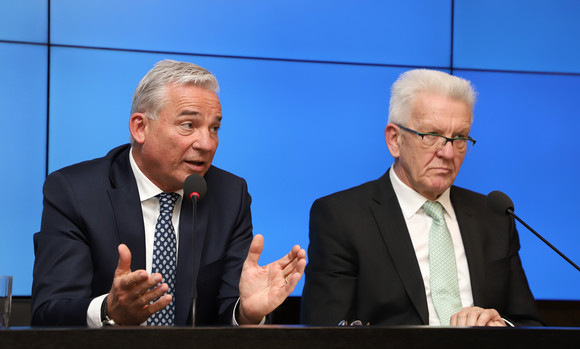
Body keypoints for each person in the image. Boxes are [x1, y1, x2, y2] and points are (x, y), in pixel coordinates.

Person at [32, 59, 306, 327]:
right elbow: (49, 311)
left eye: (214, 128)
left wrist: (245, 312)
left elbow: (225, 308)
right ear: (140, 127)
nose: (207, 143)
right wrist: (109, 310)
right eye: (189, 125)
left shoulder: (230, 195)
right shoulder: (76, 192)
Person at [300, 69, 543, 327]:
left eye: (459, 137)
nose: (448, 152)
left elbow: (530, 324)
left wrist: (502, 328)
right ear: (395, 139)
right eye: (432, 136)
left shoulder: (493, 216)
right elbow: (323, 331)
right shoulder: (341, 217)